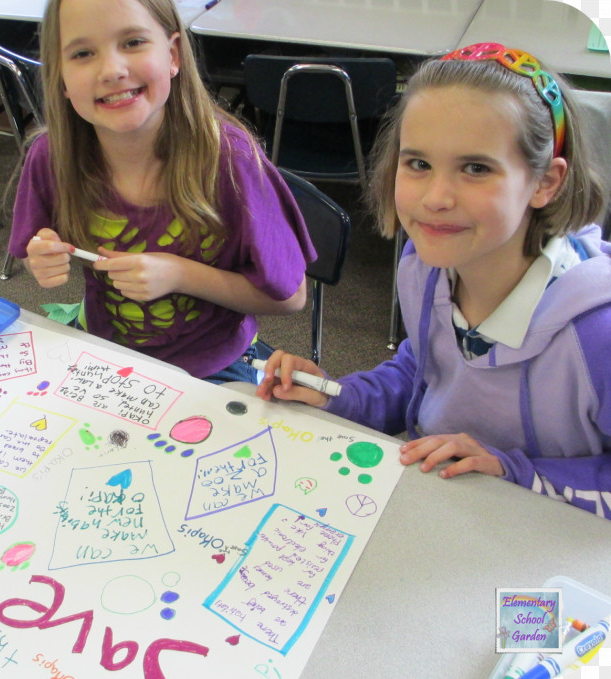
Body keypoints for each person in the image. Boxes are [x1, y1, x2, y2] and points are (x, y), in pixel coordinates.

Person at [256, 43, 611, 518]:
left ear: (545, 182)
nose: (436, 198)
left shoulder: (598, 334)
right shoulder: (424, 268)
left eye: (476, 168)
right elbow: (421, 372)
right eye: (419, 164)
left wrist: (517, 473)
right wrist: (338, 397)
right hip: (441, 511)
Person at [7, 0, 315, 383]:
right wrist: (42, 257)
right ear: (61, 78)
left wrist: (180, 274)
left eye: (133, 42)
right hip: (106, 354)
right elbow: (30, 250)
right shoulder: (50, 156)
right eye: (83, 53)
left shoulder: (232, 162)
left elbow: (292, 297)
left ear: (172, 55)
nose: (112, 70)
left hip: (215, 365)